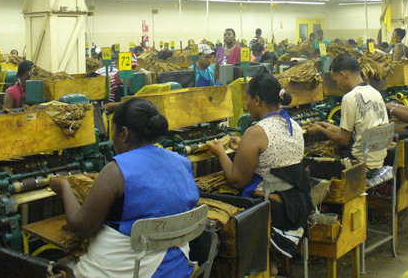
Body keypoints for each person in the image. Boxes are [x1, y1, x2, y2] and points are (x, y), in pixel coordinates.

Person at [50, 99, 199, 278]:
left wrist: (64, 186)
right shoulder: (182, 162)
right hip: (176, 269)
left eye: (113, 132)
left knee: (58, 267)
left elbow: (81, 228)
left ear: (124, 133)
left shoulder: (115, 171)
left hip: (133, 271)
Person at [208, 73, 306, 259]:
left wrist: (220, 152)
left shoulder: (256, 132)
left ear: (257, 99)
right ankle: (272, 263)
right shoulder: (294, 124)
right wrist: (244, 147)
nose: (246, 104)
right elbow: (274, 157)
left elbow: (237, 180)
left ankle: (255, 264)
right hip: (296, 204)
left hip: (271, 210)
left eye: (247, 98)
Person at [307, 54, 389, 170]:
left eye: (336, 81)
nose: (338, 86)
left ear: (343, 75)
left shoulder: (350, 98)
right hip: (377, 161)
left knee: (310, 165)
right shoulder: (375, 93)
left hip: (359, 164)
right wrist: (330, 128)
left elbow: (344, 140)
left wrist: (321, 131)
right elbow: (359, 131)